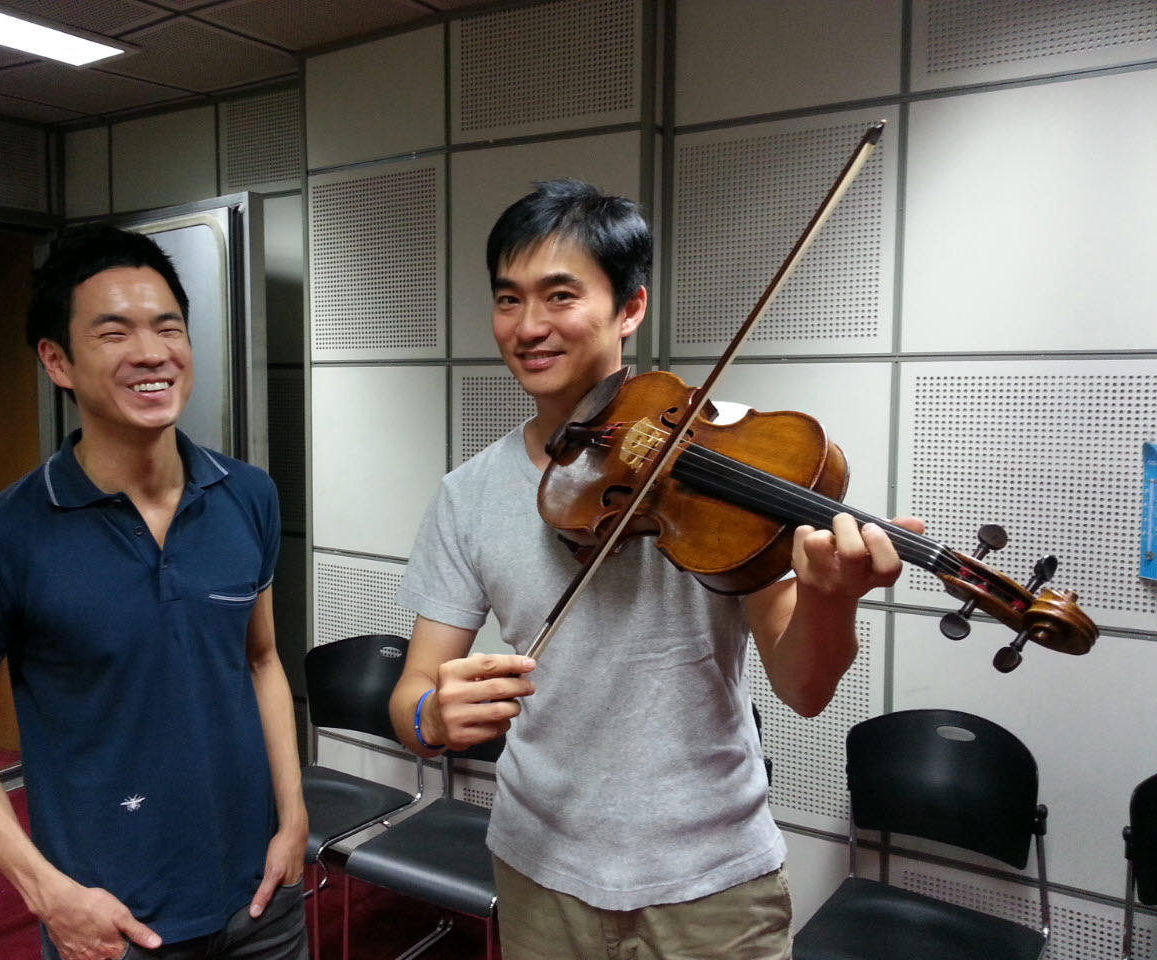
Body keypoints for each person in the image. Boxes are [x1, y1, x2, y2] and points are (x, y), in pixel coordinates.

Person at [389, 179, 924, 959]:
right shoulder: (467, 495)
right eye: (508, 300)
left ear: (630, 307)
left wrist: (830, 600)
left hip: (712, 884)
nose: (528, 327)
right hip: (538, 871)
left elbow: (804, 690)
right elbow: (412, 691)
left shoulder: (732, 457)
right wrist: (429, 720)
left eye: (560, 295)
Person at [0, 224, 309, 960]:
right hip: (112, 922)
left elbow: (260, 660)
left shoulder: (248, 494)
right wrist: (46, 892)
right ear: (56, 361)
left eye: (168, 327)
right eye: (114, 332)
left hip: (263, 896)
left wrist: (292, 820)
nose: (152, 352)